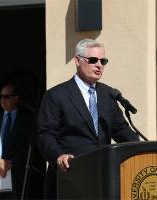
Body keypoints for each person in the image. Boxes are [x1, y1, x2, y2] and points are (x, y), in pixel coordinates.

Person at [37, 38, 140, 199]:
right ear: (77, 61)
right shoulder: (56, 96)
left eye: (103, 61)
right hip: (70, 177)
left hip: (102, 178)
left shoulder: (108, 95)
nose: (99, 65)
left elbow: (121, 130)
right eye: (93, 60)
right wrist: (59, 155)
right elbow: (45, 135)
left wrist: (143, 150)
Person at [0, 83, 34, 199]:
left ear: (16, 98)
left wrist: (8, 164)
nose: (2, 100)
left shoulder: (27, 120)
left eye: (6, 97)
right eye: (1, 97)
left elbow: (29, 145)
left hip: (15, 173)